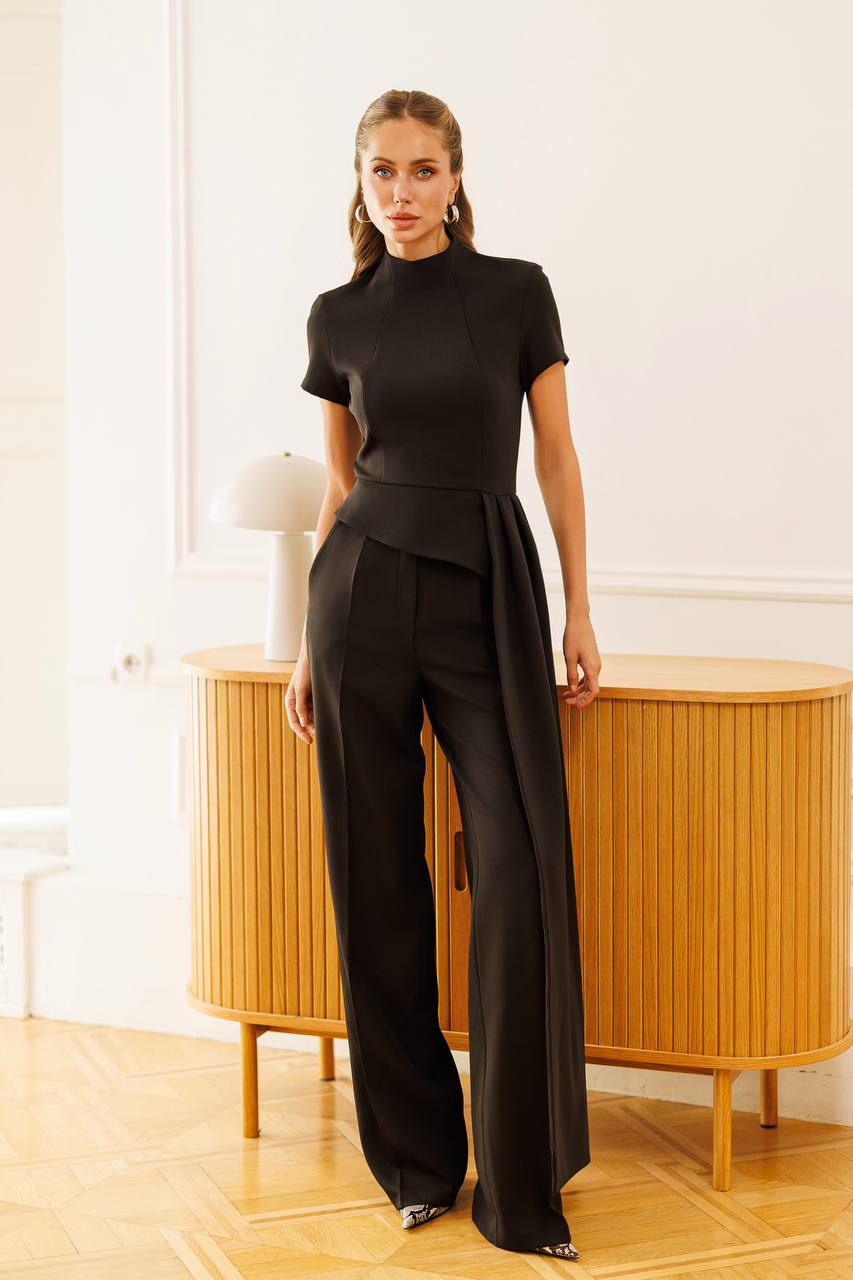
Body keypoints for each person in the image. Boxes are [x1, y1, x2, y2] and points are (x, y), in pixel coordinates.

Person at [285, 89, 601, 1262]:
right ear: (359, 181)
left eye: (423, 169)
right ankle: (417, 1161)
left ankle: (520, 1186)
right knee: (373, 872)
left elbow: (555, 455)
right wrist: (305, 644)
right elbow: (339, 486)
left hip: (484, 584)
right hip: (359, 594)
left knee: (516, 864)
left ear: (456, 178)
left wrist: (578, 606)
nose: (402, 191)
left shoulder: (515, 292)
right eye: (383, 170)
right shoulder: (335, 316)